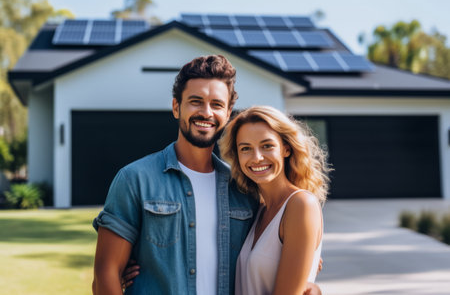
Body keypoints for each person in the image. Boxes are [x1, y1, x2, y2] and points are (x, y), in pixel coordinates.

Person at [92, 55, 257, 295]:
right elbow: (105, 275)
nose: (206, 112)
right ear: (176, 107)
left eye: (217, 104)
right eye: (196, 101)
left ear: (228, 113)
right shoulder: (134, 179)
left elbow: (272, 248)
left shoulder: (243, 186)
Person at [219, 106, 330, 295]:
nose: (257, 158)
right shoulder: (259, 209)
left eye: (267, 146)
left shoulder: (301, 204)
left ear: (286, 149)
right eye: (246, 148)